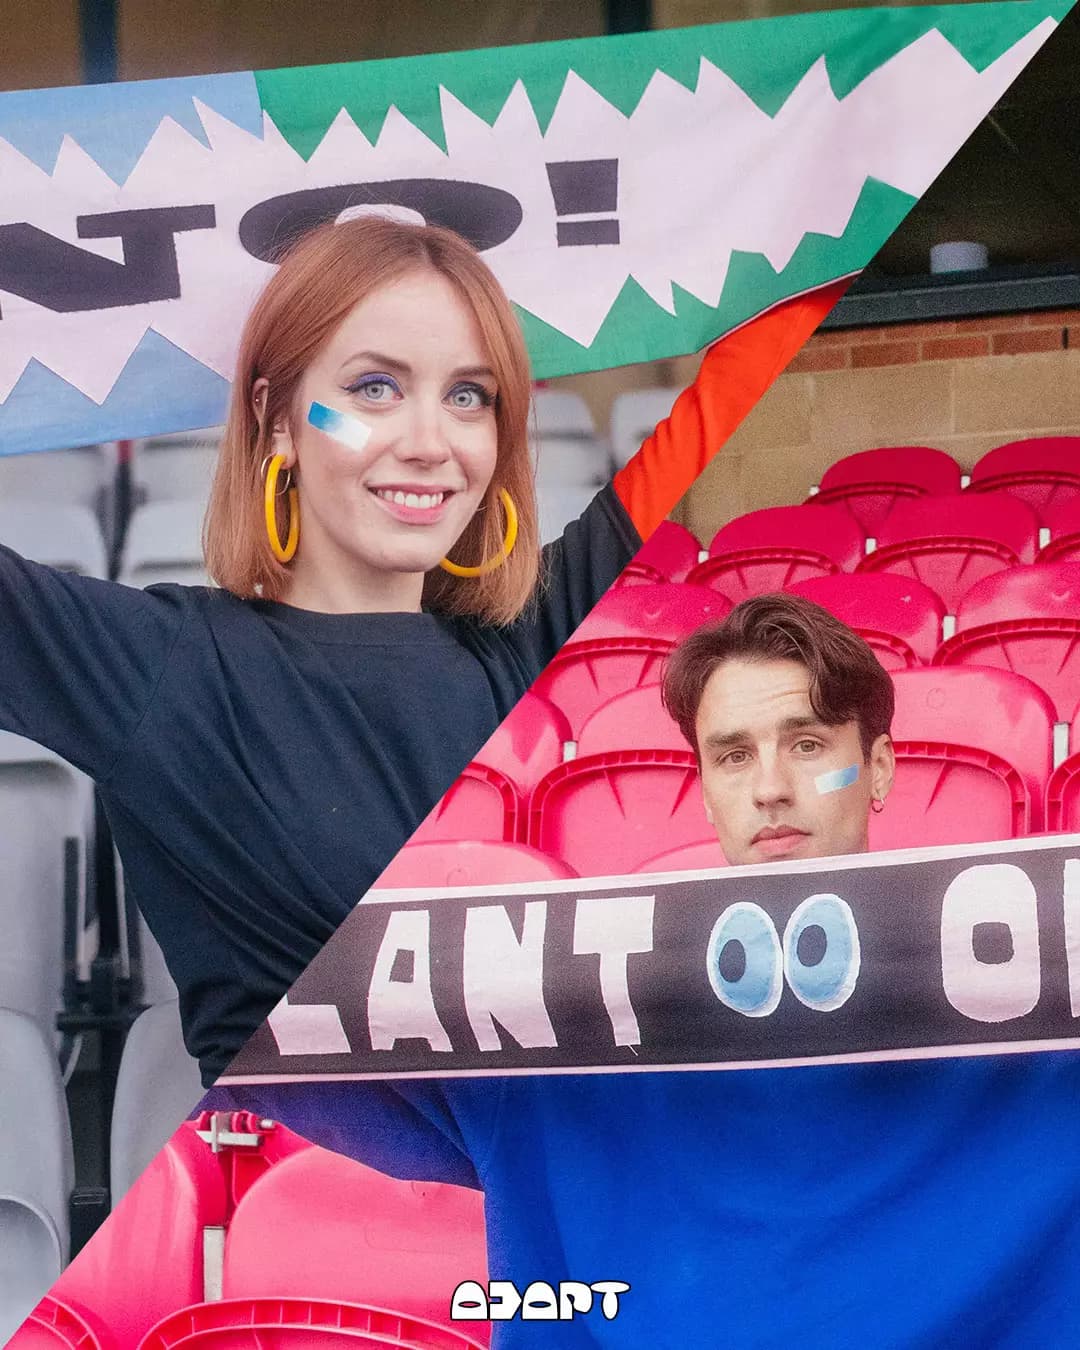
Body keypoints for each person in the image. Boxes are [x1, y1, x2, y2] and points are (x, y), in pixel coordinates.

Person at [0, 216, 838, 1082]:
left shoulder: (532, 637)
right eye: (372, 389)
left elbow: (777, 316)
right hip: (305, 1195)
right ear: (276, 415)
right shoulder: (160, 668)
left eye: (469, 396)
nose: (431, 443)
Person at [216, 594, 1080, 1347]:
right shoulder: (557, 1016)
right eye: (733, 755)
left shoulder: (1036, 1001)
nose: (770, 786)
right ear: (704, 789)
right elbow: (242, 1041)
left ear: (879, 768)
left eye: (809, 744)